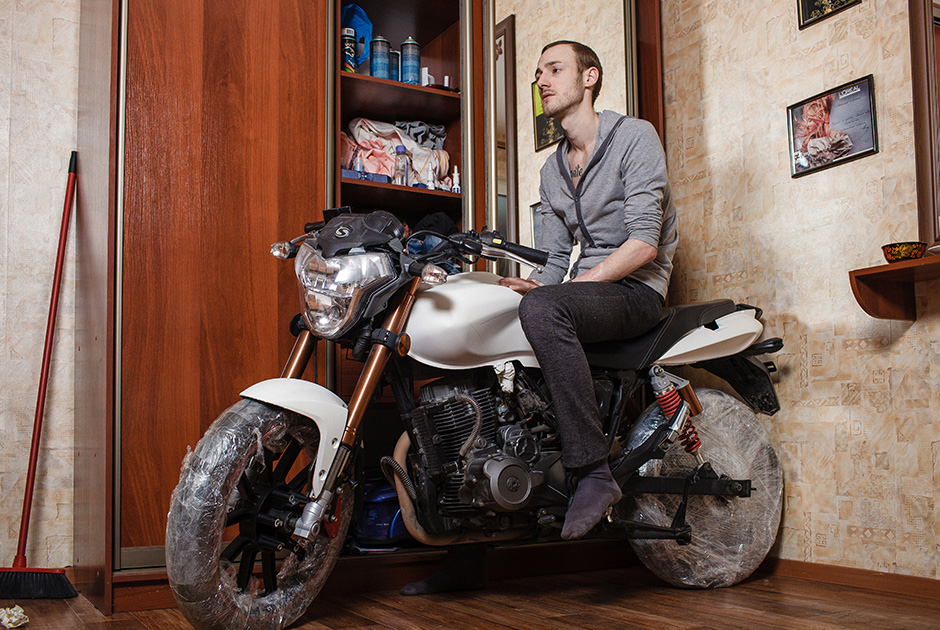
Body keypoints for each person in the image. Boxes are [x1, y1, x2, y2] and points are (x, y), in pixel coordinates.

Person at [399, 39, 677, 596]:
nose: (542, 80)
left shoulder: (634, 137)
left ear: (589, 77)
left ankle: (592, 470)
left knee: (543, 306)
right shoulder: (554, 169)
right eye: (539, 73)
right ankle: (467, 546)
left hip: (637, 292)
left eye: (555, 69)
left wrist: (563, 291)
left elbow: (644, 243)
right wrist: (533, 287)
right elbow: (552, 260)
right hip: (585, 296)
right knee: (493, 340)